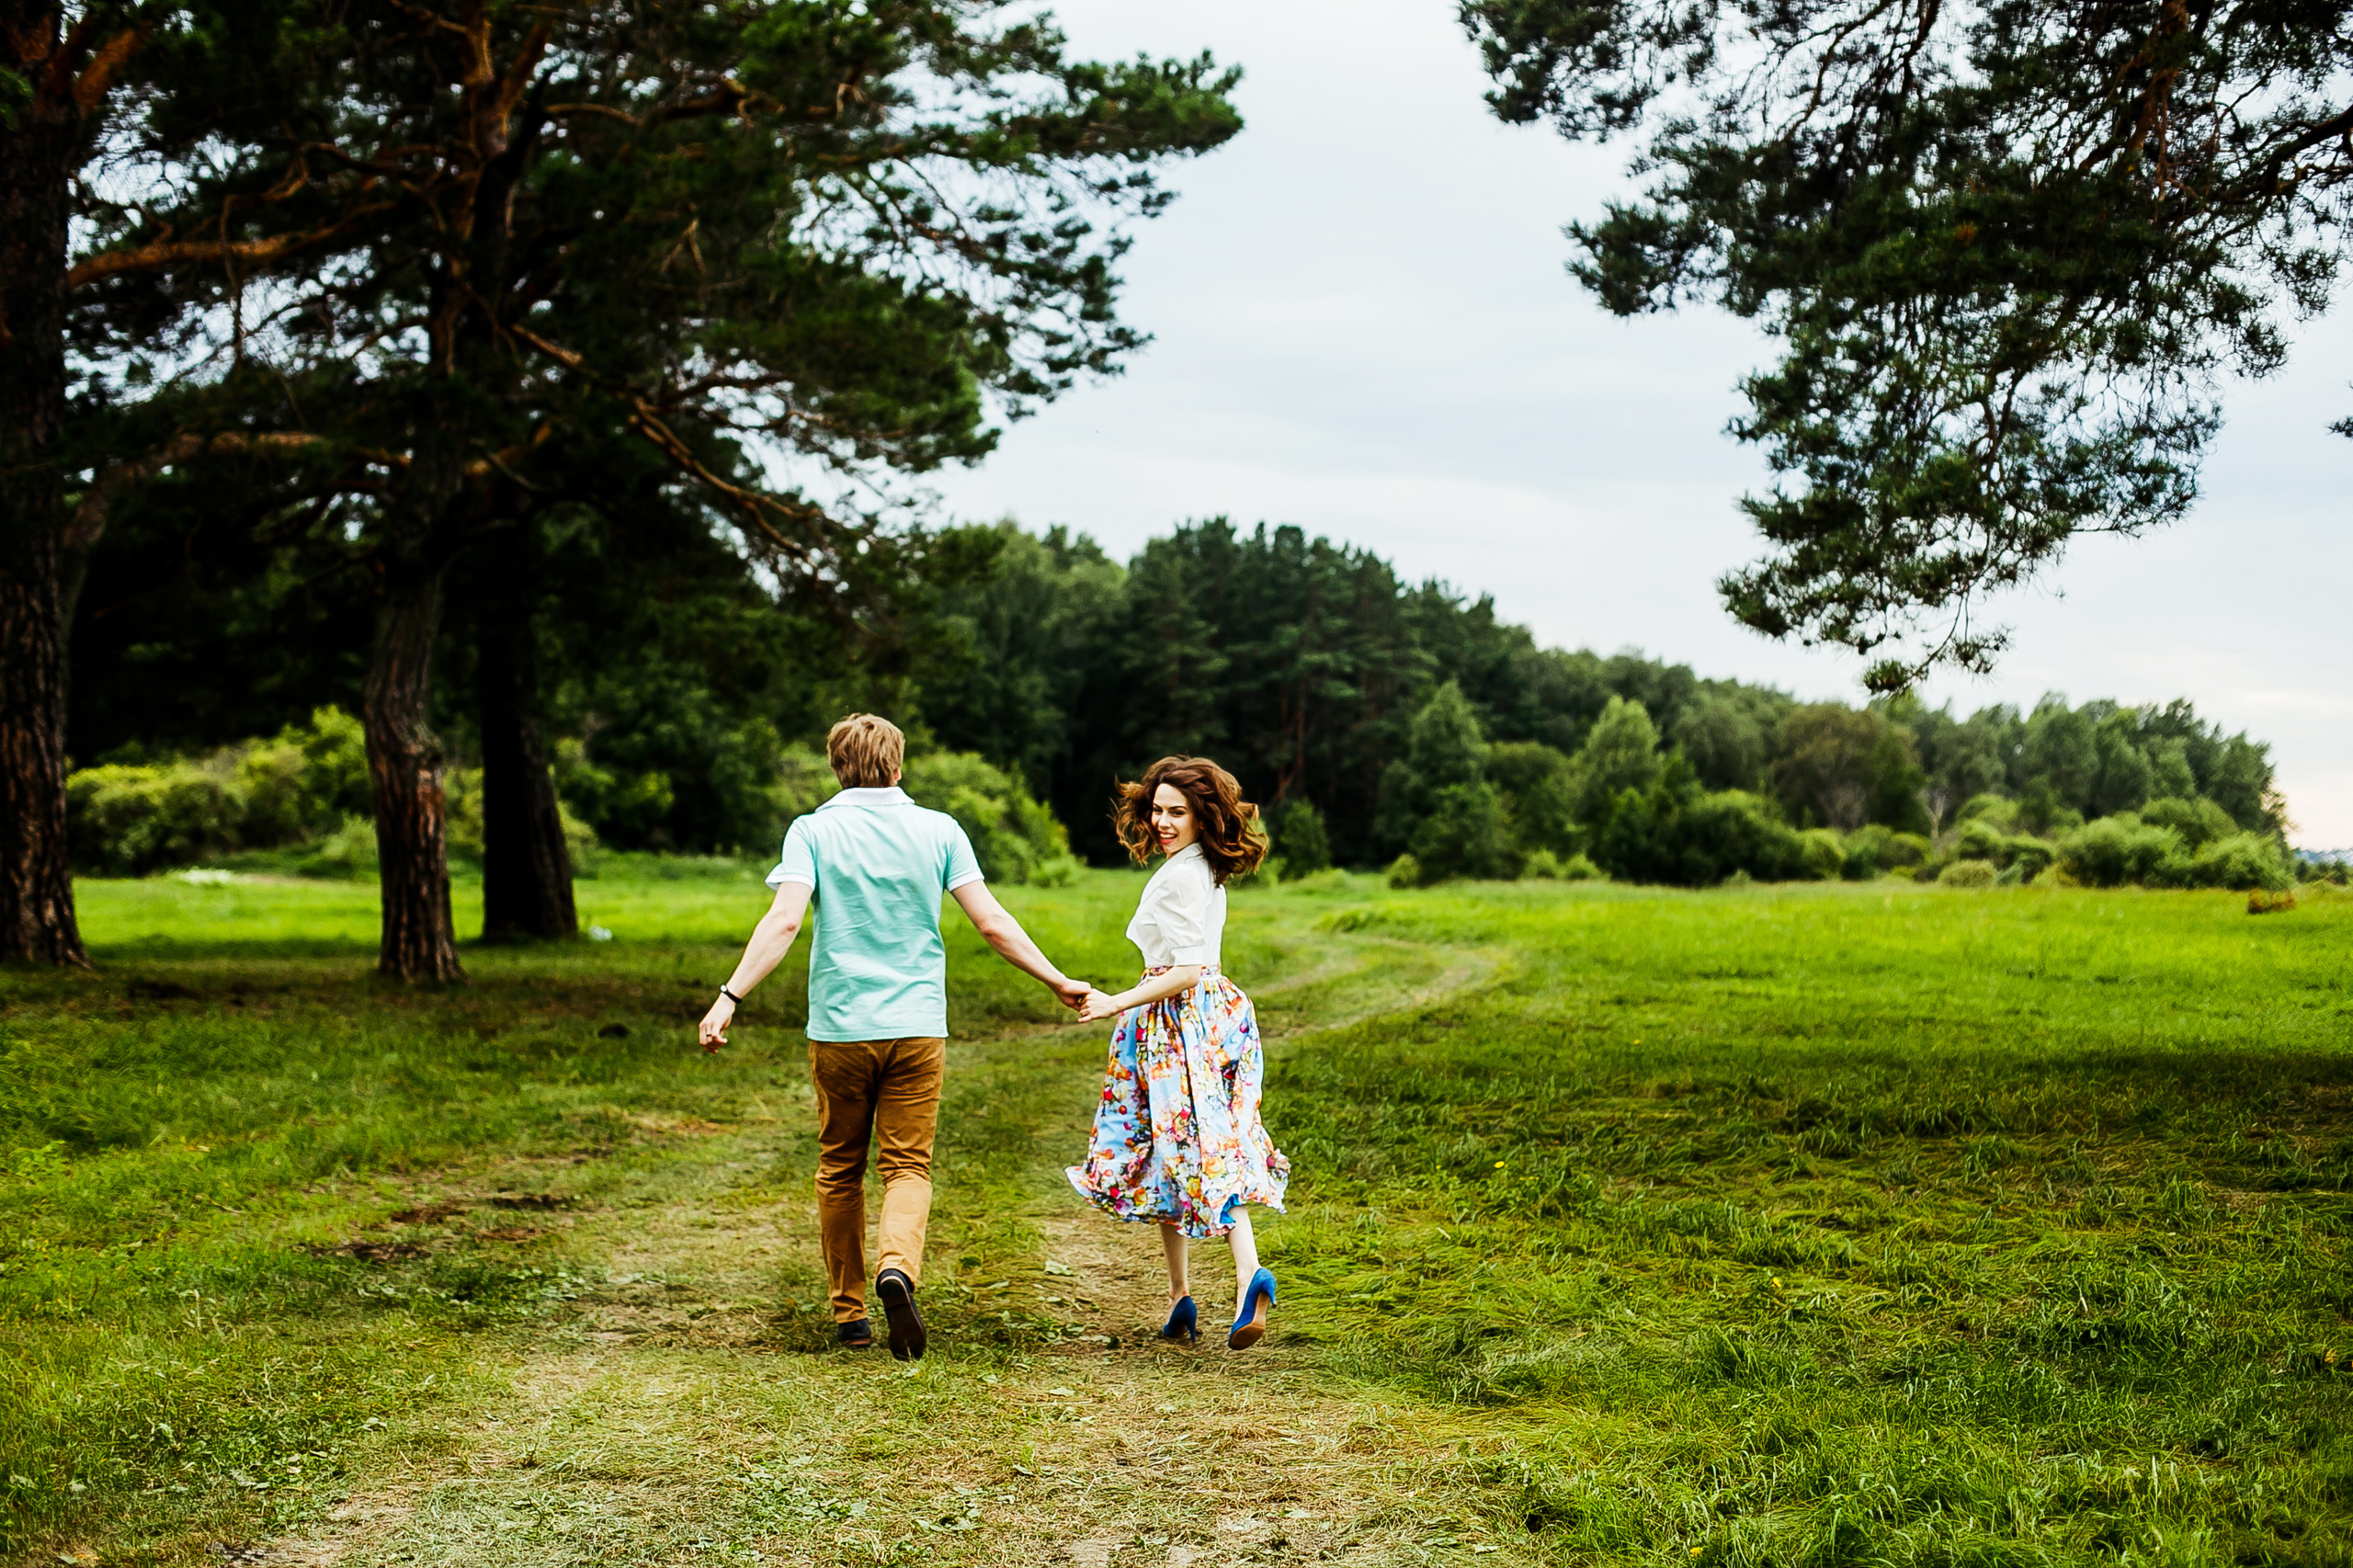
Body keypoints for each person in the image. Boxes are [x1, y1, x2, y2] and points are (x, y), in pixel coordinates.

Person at [699, 714, 1088, 1360]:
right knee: (907, 1166)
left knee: (839, 1169)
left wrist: (730, 995)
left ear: (836, 767)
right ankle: (897, 1269)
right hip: (916, 1029)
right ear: (898, 767)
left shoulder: (813, 832)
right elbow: (991, 922)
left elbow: (786, 920)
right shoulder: (940, 830)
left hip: (841, 1031)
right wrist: (1055, 979)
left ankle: (850, 1315)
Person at [1068, 756, 1290, 1350]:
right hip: (1214, 1013)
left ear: (1201, 814)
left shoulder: (1179, 876)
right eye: (1158, 810)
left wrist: (1118, 1000)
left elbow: (1186, 970)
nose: (1164, 821)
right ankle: (1183, 1299)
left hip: (1176, 1024)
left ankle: (1243, 1276)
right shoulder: (1203, 865)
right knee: (1188, 1144)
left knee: (1195, 1144)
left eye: (1177, 811)